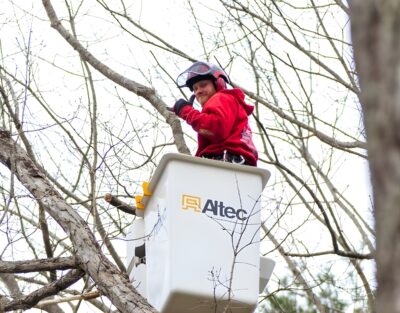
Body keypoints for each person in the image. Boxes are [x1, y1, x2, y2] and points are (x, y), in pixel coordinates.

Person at [170, 61, 258, 166]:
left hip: (225, 161)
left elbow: (215, 128)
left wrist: (186, 111)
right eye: (195, 89)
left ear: (218, 83)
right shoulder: (228, 104)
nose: (198, 91)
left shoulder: (221, 97)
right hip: (237, 164)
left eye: (203, 85)